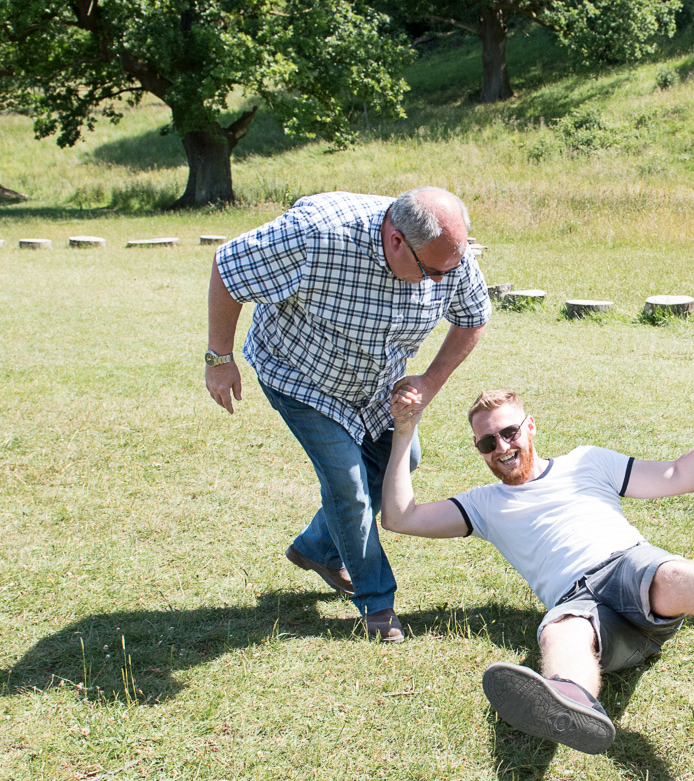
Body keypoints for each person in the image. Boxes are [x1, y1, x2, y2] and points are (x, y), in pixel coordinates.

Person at [379, 381, 694, 755]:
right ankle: (574, 703)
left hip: (627, 568)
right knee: (559, 631)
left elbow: (683, 476)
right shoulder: (482, 504)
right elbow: (400, 518)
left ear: (531, 427)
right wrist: (404, 432)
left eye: (509, 432)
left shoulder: (587, 462)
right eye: (487, 441)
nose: (501, 446)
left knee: (673, 575)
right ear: (479, 450)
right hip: (578, 604)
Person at [205, 187, 491, 641]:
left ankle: (317, 547)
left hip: (376, 383)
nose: (443, 281)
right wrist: (219, 358)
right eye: (431, 272)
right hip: (302, 377)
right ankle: (377, 602)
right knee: (350, 487)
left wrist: (430, 381)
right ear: (396, 240)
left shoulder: (446, 257)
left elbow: (473, 315)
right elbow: (229, 266)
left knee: (404, 462)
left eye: (450, 270)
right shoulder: (316, 233)